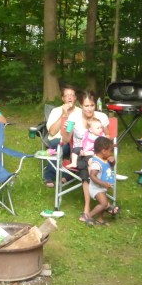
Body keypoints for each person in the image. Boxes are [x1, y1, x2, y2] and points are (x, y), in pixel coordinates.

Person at [63, 91, 109, 222]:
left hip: (98, 155)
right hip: (79, 154)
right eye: (86, 106)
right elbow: (66, 140)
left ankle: (88, 210)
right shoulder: (74, 117)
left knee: (89, 167)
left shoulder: (102, 117)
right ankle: (102, 206)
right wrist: (67, 129)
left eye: (92, 105)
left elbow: (109, 138)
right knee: (86, 167)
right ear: (81, 105)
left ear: (95, 105)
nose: (89, 109)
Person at [42, 85, 81, 187]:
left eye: (72, 95)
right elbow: (52, 132)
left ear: (75, 98)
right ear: (63, 98)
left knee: (79, 149)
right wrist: (64, 114)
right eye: (67, 95)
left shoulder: (80, 112)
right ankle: (49, 176)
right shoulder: (56, 111)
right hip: (57, 139)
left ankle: (66, 176)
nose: (69, 97)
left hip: (75, 140)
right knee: (60, 145)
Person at [85, 136, 118, 226]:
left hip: (101, 188)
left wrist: (112, 162)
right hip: (96, 188)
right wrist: (103, 183)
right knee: (103, 203)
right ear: (104, 151)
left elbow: (110, 166)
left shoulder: (104, 159)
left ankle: (100, 219)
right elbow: (92, 176)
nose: (111, 153)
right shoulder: (96, 163)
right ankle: (88, 216)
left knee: (103, 203)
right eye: (110, 151)